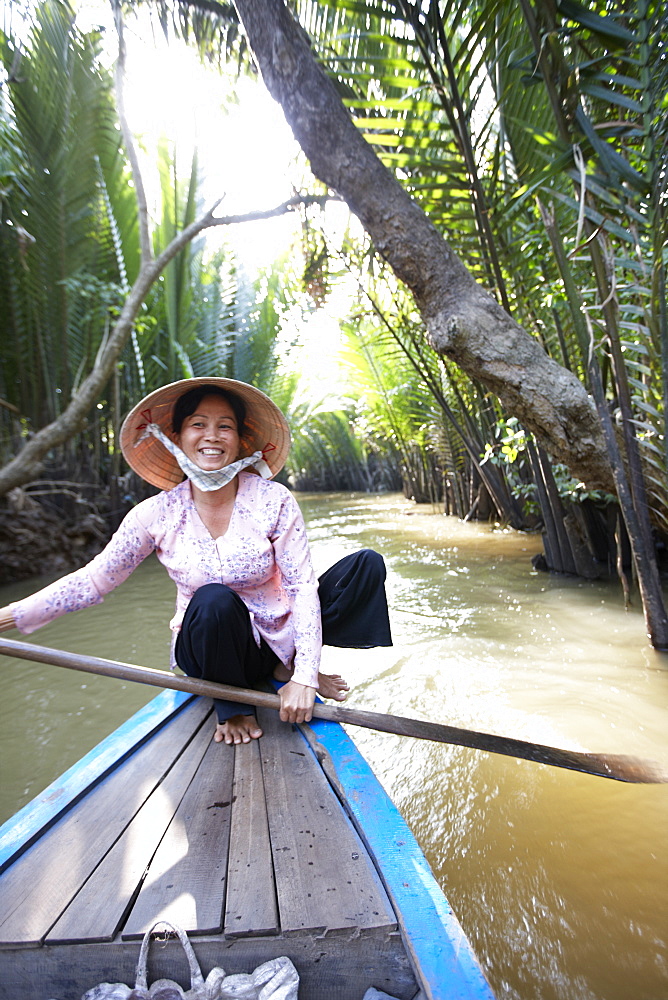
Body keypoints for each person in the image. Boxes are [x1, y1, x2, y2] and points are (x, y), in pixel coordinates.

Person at [0, 378, 392, 745]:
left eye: (225, 427)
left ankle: (283, 668)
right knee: (213, 599)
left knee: (364, 566)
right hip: (208, 643)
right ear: (178, 436)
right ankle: (234, 708)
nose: (211, 436)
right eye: (198, 424)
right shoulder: (155, 514)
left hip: (275, 636)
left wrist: (306, 674)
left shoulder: (274, 500)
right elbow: (94, 580)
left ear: (240, 441)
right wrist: (11, 615)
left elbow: (301, 586)